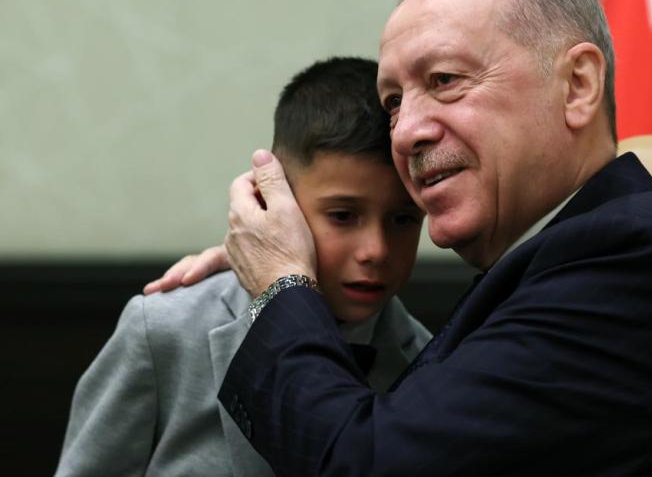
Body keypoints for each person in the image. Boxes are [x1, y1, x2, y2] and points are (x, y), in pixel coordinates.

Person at [166, 0, 652, 475]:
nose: (405, 133)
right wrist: (294, 261)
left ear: (577, 85)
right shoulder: (556, 255)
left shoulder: (626, 261)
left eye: (444, 80)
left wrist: (279, 285)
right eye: (394, 102)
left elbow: (365, 464)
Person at [55, 57, 431, 476]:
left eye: (404, 219)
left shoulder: (428, 360)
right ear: (274, 202)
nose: (376, 250)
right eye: (343, 216)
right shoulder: (165, 330)